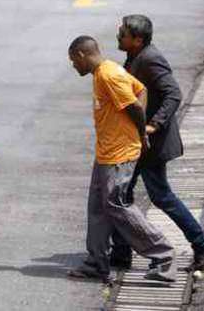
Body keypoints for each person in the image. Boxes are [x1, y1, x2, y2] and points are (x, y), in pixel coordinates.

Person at [66, 35, 177, 283]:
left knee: (116, 205)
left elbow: (136, 107)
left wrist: (140, 134)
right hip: (107, 152)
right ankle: (96, 262)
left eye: (73, 60)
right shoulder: (106, 71)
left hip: (119, 154)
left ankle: (164, 255)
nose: (73, 66)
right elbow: (141, 90)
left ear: (82, 55)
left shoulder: (108, 75)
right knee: (98, 207)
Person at [111, 15, 204, 271]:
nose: (118, 36)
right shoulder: (137, 56)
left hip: (152, 145)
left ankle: (202, 243)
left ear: (137, 39)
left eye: (123, 33)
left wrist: (154, 124)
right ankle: (122, 251)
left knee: (157, 196)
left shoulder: (150, 59)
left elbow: (173, 93)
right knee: (120, 193)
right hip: (139, 142)